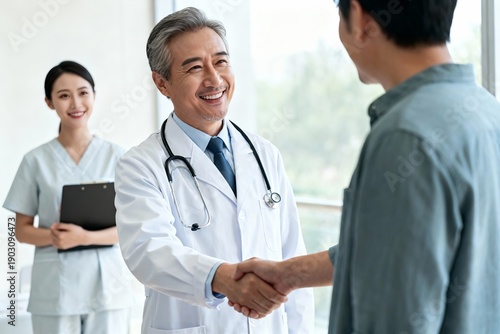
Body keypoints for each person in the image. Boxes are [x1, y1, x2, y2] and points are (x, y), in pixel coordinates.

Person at [231, 0, 500, 333]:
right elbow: (404, 247)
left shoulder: (406, 137)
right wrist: (289, 274)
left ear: (358, 18)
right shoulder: (485, 112)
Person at [114, 6, 314, 334]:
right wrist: (223, 279)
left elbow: (292, 257)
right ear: (162, 83)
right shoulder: (141, 165)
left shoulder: (265, 155)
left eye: (220, 61)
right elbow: (149, 252)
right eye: (194, 67)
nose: (214, 79)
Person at [3, 61, 135, 334]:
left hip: (107, 288)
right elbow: (21, 230)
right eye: (63, 95)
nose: (75, 103)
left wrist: (84, 237)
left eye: (83, 92)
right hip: (56, 289)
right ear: (49, 102)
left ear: (94, 96)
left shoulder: (118, 157)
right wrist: (54, 237)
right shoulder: (35, 161)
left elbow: (130, 225)